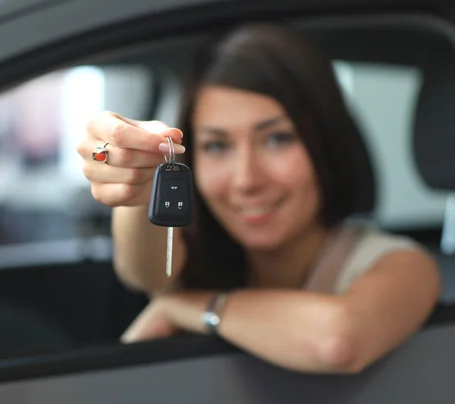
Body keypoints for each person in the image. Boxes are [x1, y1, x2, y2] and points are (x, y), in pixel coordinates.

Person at [76, 23, 442, 374]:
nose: (246, 180)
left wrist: (184, 306)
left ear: (325, 144)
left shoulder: (403, 264)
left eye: (277, 139)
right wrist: (139, 178)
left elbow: (338, 342)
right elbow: (143, 271)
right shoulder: (193, 253)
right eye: (217, 146)